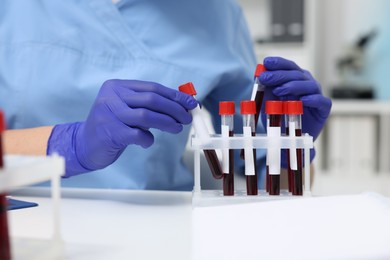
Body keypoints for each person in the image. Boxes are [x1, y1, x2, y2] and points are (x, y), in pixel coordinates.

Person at [0, 0, 331, 190]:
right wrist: (68, 145)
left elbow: (270, 181)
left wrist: (289, 146)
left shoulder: (217, 12)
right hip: (27, 228)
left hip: (162, 233)